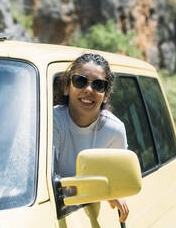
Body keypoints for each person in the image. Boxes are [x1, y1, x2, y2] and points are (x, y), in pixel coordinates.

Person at [53, 53, 129, 223]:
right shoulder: (51, 122)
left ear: (106, 94)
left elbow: (118, 184)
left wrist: (113, 193)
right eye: (80, 81)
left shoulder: (114, 130)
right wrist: (102, 191)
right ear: (67, 87)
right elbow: (47, 187)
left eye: (98, 85)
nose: (88, 89)